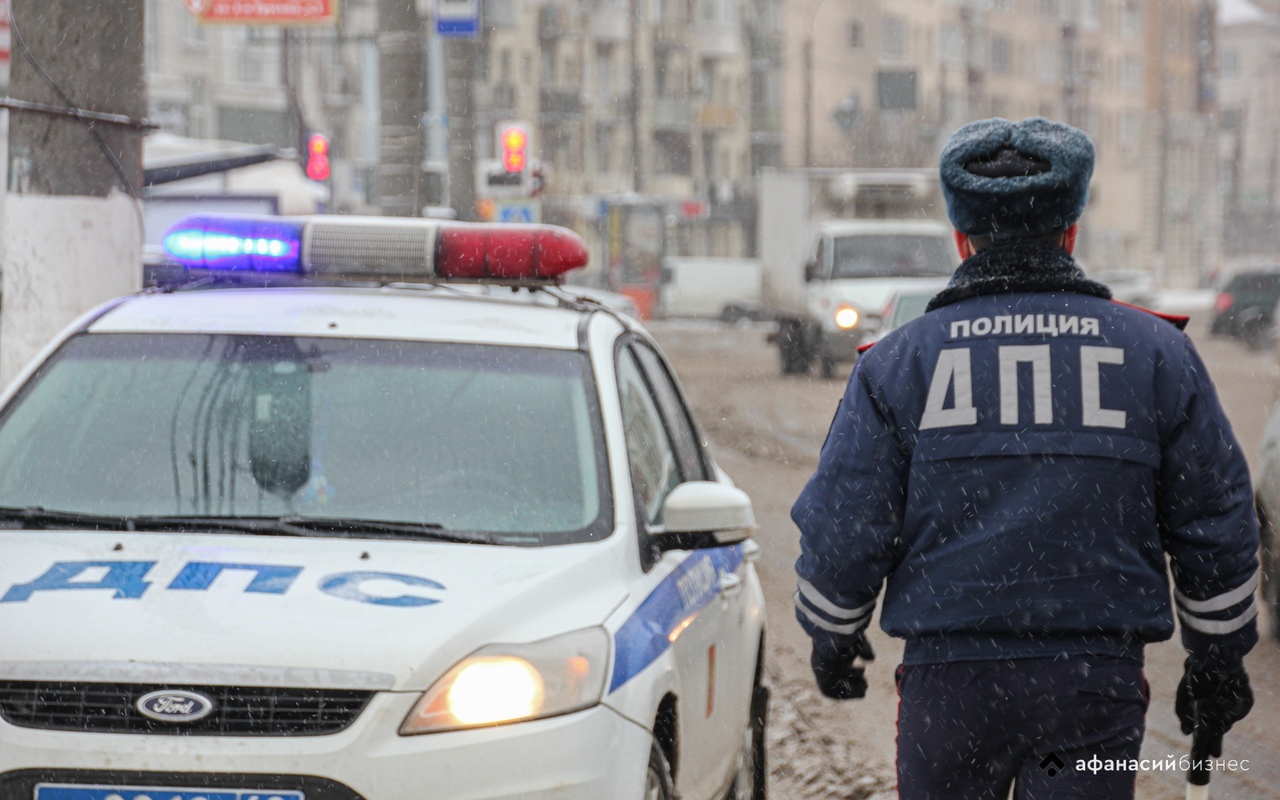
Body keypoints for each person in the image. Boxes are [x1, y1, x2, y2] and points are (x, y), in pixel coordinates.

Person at [792, 117, 1259, 799]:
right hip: (1094, 687)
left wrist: (833, 632)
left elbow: (848, 521)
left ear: (961, 237)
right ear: (1071, 231)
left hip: (947, 690)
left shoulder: (900, 364)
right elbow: (1215, 520)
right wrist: (1217, 660)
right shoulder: (1154, 355)